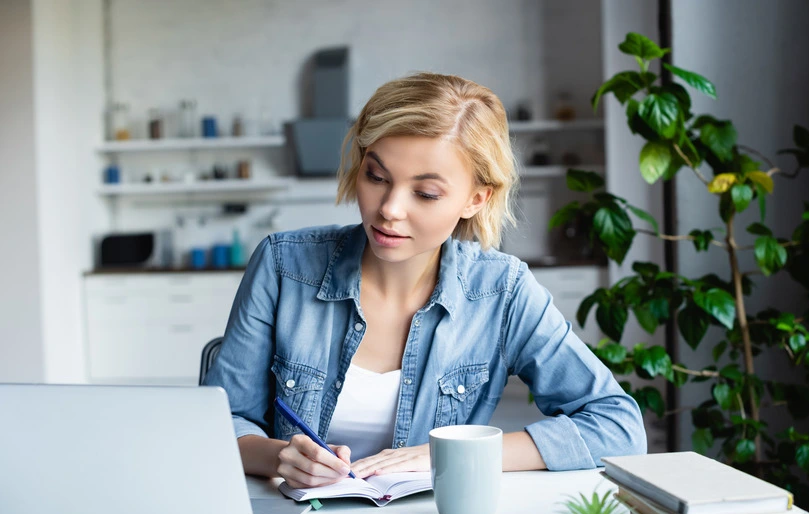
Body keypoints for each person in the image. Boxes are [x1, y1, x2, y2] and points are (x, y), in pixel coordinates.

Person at [203, 71, 646, 490]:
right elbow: (219, 424)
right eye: (376, 176)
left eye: (426, 193)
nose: (389, 209)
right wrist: (279, 457)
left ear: (476, 199)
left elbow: (618, 426)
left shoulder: (502, 291)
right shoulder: (284, 266)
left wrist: (451, 454)